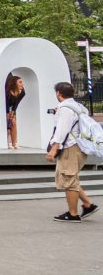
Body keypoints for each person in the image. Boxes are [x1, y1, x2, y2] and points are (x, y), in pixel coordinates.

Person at [45, 82, 98, 222]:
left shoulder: (65, 109)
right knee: (71, 178)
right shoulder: (79, 107)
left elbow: (62, 130)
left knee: (68, 179)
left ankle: (73, 214)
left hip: (70, 147)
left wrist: (54, 149)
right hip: (80, 146)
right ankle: (88, 205)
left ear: (58, 93)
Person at [5, 73, 26, 150]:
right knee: (7, 123)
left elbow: (16, 103)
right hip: (5, 108)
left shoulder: (22, 92)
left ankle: (15, 143)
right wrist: (7, 113)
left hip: (13, 108)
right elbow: (6, 103)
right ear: (14, 83)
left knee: (13, 123)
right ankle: (8, 142)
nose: (22, 84)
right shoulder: (7, 92)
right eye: (20, 82)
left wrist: (13, 114)